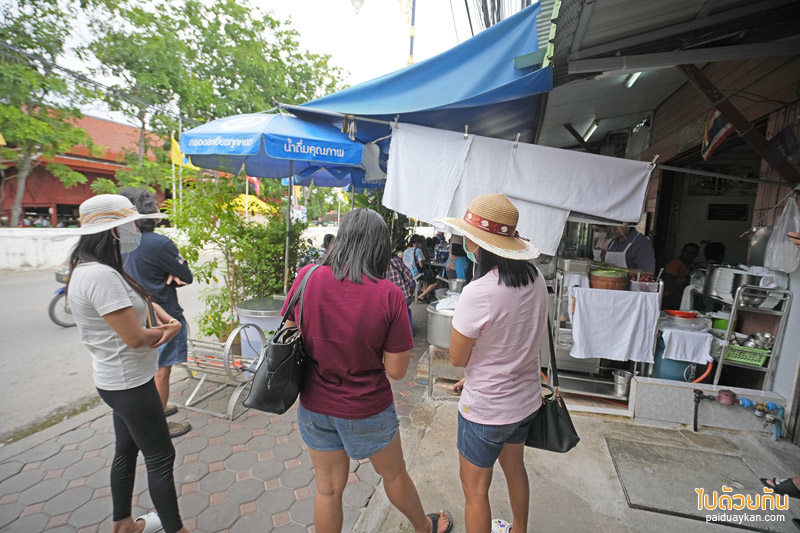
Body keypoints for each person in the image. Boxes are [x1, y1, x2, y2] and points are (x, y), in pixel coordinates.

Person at [282, 209, 452, 533]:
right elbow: (398, 371)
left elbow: (290, 332)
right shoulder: (388, 294)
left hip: (314, 406)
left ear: (342, 238)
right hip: (367, 409)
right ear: (379, 248)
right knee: (394, 474)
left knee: (328, 489)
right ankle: (424, 527)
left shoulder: (306, 277)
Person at [66, 194, 188, 533]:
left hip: (118, 381)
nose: (136, 229)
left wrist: (164, 321)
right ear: (112, 232)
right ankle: (177, 529)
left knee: (126, 450)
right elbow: (134, 338)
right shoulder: (100, 276)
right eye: (129, 224)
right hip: (129, 384)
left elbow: (141, 300)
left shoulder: (97, 269)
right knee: (161, 457)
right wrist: (165, 331)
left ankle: (123, 524)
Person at [437, 194, 547, 533]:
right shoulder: (536, 278)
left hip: (486, 411)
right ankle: (519, 530)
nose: (465, 241)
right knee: (515, 470)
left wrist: (473, 377)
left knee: (475, 490)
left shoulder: (480, 291)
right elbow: (513, 342)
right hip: (525, 401)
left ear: (479, 243)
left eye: (468, 235)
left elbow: (458, 358)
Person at [119, 187, 193, 439]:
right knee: (162, 369)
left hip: (130, 317)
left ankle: (153, 410)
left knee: (145, 369)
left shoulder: (117, 243)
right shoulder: (158, 243)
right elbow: (186, 276)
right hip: (163, 316)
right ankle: (158, 420)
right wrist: (171, 277)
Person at [662, 243, 699, 310]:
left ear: (696, 255)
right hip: (670, 296)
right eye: (685, 252)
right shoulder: (676, 263)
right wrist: (680, 294)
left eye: (691, 253)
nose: (687, 255)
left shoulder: (691, 266)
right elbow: (668, 278)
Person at [387, 251, 415, 335]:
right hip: (405, 297)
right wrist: (407, 287)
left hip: (388, 300)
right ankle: (409, 332)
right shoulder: (397, 261)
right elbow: (409, 276)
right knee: (405, 310)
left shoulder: (377, 264)